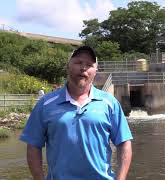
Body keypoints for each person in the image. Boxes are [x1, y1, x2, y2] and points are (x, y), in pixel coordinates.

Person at [20, 46, 133, 180]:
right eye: (78, 62)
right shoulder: (46, 104)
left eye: (89, 64)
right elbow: (33, 146)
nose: (83, 68)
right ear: (68, 66)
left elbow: (124, 143)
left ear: (95, 71)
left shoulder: (109, 103)